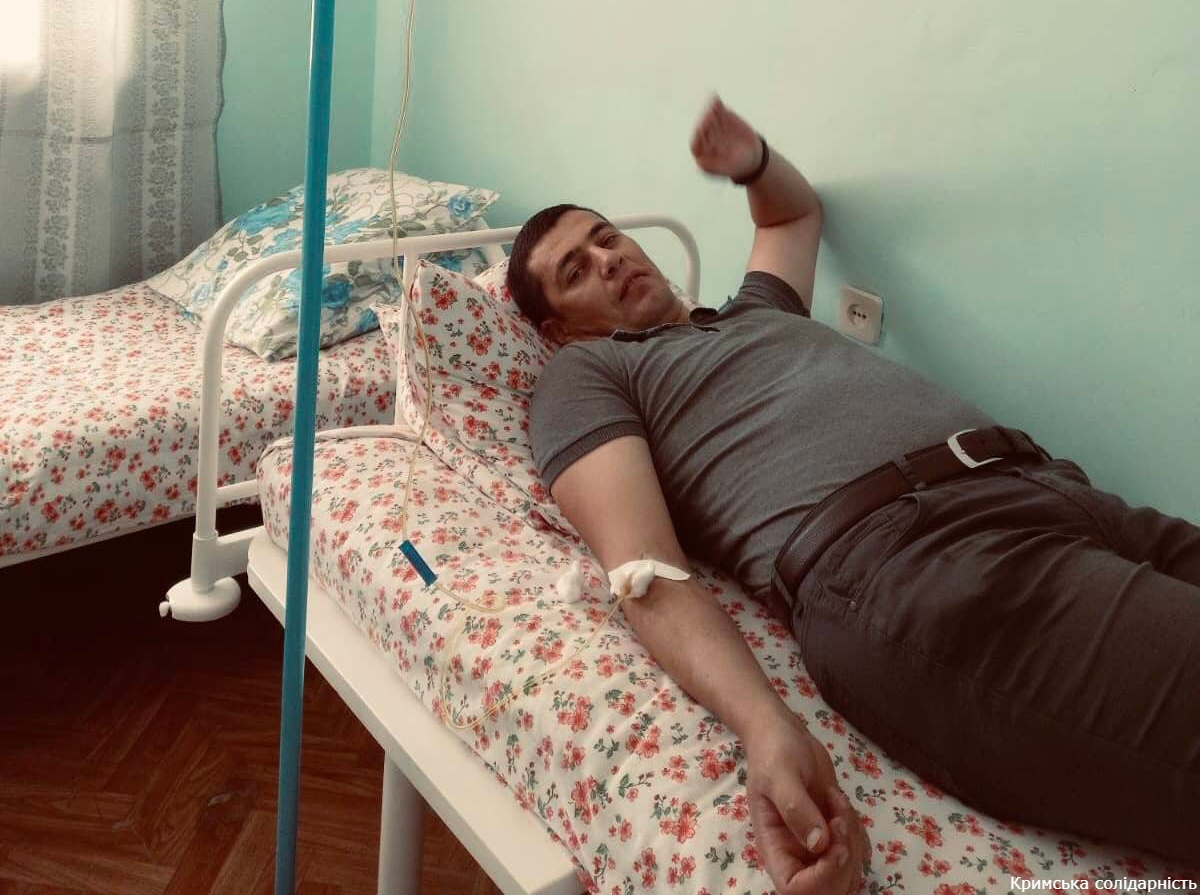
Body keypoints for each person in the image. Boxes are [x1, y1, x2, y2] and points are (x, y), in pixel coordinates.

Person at [504, 96, 1200, 895]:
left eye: (606, 236)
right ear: (558, 329)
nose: (607, 259)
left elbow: (792, 214)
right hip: (918, 565)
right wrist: (767, 727)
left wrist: (751, 161)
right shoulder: (587, 373)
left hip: (1053, 491)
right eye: (575, 270)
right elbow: (646, 571)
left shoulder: (756, 311)